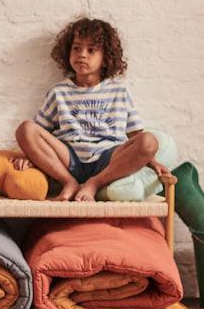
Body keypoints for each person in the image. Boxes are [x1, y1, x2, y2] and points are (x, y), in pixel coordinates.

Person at [15, 16, 166, 203]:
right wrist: (29, 156)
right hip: (69, 159)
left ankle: (94, 184)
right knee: (25, 129)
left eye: (91, 50)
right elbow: (39, 133)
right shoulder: (59, 92)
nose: (82, 55)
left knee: (149, 142)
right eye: (76, 48)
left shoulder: (119, 90)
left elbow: (136, 135)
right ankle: (69, 182)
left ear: (106, 58)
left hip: (109, 159)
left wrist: (152, 161)